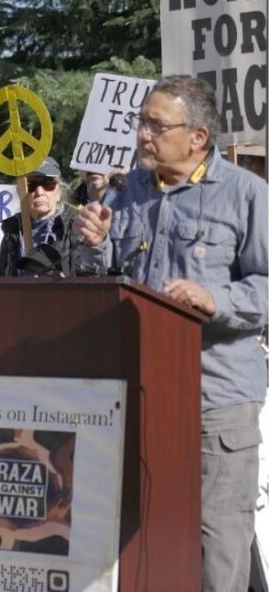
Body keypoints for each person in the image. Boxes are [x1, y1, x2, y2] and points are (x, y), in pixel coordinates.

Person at [74, 75, 267, 592]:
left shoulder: (247, 194)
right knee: (149, 533)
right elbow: (108, 273)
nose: (142, 135)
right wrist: (95, 245)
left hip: (216, 394)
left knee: (219, 540)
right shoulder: (131, 191)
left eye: (156, 125)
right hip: (141, 391)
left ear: (198, 136)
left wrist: (216, 301)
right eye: (141, 122)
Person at [0, 157, 80, 277]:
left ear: (59, 192)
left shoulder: (76, 226)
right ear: (21, 192)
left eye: (48, 184)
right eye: (31, 185)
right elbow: (2, 280)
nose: (39, 192)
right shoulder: (13, 231)